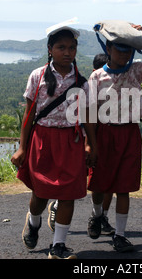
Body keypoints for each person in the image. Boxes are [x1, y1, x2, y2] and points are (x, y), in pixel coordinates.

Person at [11, 23, 92, 259]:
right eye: (61, 47)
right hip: (43, 140)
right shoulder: (37, 76)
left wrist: (90, 144)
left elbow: (86, 118)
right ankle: (34, 221)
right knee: (41, 193)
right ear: (50, 49)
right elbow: (29, 114)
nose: (67, 52)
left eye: (72, 48)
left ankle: (58, 245)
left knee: (67, 194)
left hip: (71, 141)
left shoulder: (81, 81)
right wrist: (22, 147)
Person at [86, 23, 142, 252]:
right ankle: (97, 215)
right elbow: (89, 112)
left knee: (123, 188)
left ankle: (119, 235)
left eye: (128, 50)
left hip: (129, 133)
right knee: (98, 184)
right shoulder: (97, 76)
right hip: (104, 133)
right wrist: (91, 143)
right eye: (119, 49)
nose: (124, 54)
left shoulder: (135, 70)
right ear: (108, 49)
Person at [47, 53, 115, 236]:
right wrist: (88, 144)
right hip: (85, 140)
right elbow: (83, 120)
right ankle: (58, 206)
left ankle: (101, 217)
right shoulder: (87, 87)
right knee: (74, 181)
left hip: (104, 138)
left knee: (106, 181)